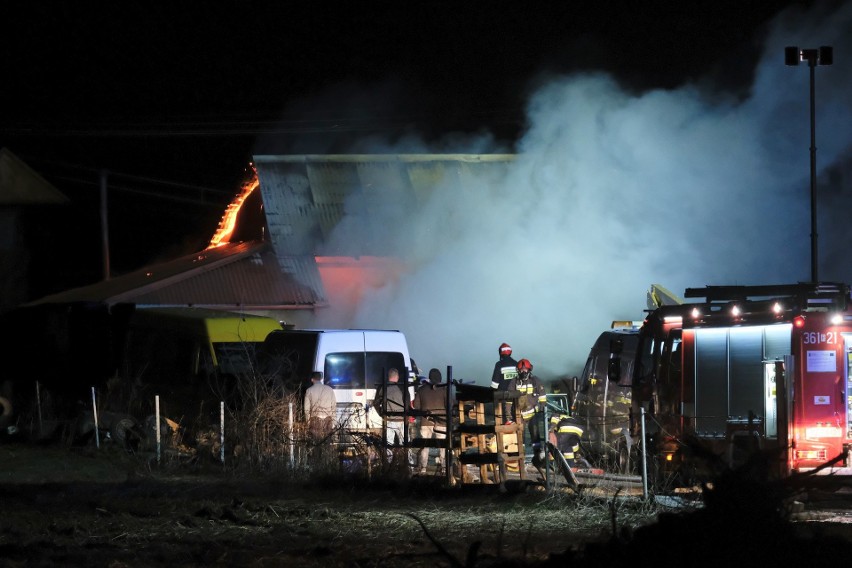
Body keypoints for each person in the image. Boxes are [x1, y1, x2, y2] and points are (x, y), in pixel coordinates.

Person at [512, 358, 548, 467]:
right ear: (518, 370)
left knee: (536, 436)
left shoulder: (535, 381)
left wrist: (541, 408)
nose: (523, 372)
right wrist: (509, 414)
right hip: (519, 415)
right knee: (519, 437)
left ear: (529, 369)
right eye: (521, 370)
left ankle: (539, 457)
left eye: (525, 369)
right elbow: (509, 401)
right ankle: (519, 458)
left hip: (533, 415)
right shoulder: (514, 381)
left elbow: (542, 397)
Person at [412, 367, 448, 474]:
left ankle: (423, 468)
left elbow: (416, 406)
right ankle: (444, 468)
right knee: (442, 446)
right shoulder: (444, 389)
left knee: (425, 445)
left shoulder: (421, 389)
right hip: (441, 421)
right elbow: (450, 404)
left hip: (425, 421)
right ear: (440, 378)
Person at [371, 367, 410, 464]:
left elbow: (376, 403)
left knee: (388, 444)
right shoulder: (402, 387)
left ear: (388, 377)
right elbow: (407, 403)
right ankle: (408, 466)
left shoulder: (382, 387)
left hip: (388, 419)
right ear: (397, 377)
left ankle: (388, 466)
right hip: (401, 420)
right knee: (405, 444)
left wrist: (382, 413)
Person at [304, 371, 337, 442]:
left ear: (312, 379)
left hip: (315, 419)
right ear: (321, 379)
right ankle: (327, 452)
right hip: (328, 418)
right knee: (327, 441)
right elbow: (333, 405)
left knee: (316, 442)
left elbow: (306, 408)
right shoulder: (329, 389)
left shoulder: (309, 390)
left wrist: (308, 421)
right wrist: (334, 420)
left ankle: (317, 452)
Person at [491, 342, 518, 423]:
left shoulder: (499, 364)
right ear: (510, 352)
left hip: (503, 396)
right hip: (515, 396)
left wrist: (491, 391)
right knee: (516, 418)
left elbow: (495, 384)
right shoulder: (516, 364)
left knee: (504, 419)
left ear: (500, 353)